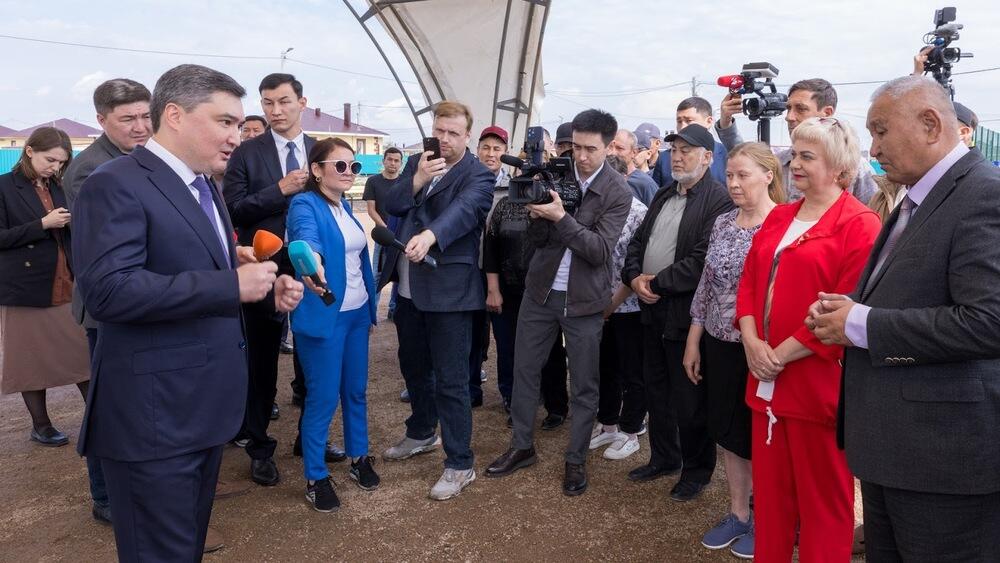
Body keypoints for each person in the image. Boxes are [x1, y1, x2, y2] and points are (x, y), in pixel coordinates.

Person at [72, 63, 304, 561]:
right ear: (174, 115)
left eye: (239, 126)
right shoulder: (114, 183)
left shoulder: (202, 186)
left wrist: (261, 282)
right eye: (224, 122)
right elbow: (109, 292)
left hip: (197, 412)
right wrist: (228, 282)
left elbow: (192, 268)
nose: (236, 137)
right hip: (154, 420)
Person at [809, 75, 1000, 562]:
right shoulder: (918, 195)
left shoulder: (983, 194)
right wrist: (846, 306)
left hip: (943, 460)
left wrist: (861, 324)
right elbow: (908, 287)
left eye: (880, 132)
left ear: (931, 124)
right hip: (896, 448)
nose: (873, 148)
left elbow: (989, 321)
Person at [735, 116, 881, 561]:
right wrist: (751, 341)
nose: (793, 165)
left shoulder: (860, 225)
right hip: (766, 382)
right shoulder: (779, 216)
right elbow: (749, 283)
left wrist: (775, 354)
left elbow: (845, 309)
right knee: (773, 503)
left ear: (838, 168)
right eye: (794, 154)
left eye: (806, 157)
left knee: (824, 506)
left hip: (817, 389)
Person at [486, 109, 632, 496]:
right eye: (575, 147)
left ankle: (575, 459)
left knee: (584, 384)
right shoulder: (556, 173)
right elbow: (535, 242)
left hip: (585, 300)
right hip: (540, 291)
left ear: (608, 147)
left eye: (590, 149)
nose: (580, 157)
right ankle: (521, 446)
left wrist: (559, 216)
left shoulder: (618, 191)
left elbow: (599, 250)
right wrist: (536, 215)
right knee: (525, 371)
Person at [224, 73, 344, 486]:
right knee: (260, 359)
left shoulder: (322, 151)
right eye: (268, 103)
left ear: (302, 102)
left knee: (313, 355)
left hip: (312, 265)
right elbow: (232, 210)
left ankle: (309, 438)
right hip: (264, 264)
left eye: (284, 102)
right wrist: (278, 189)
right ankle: (258, 444)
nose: (275, 111)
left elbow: (338, 203)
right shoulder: (246, 153)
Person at [379, 100, 494, 501]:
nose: (443, 139)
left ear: (467, 136)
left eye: (452, 133)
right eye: (439, 130)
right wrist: (415, 180)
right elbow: (392, 203)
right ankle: (421, 432)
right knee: (412, 367)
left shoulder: (478, 175)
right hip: (408, 288)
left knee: (451, 379)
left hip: (450, 291)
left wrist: (430, 236)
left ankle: (460, 462)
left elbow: (464, 212)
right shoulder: (419, 161)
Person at [621, 124, 733, 501]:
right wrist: (635, 278)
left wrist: (657, 283)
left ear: (707, 157)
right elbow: (637, 242)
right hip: (650, 310)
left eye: (688, 150)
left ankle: (696, 470)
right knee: (656, 390)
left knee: (689, 398)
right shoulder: (664, 194)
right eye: (675, 150)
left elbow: (703, 260)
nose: (678, 155)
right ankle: (664, 457)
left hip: (686, 315)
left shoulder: (718, 200)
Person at [684, 142, 785, 559]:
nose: (734, 183)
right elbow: (707, 283)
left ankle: (769, 519)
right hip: (719, 343)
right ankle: (738, 513)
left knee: (761, 436)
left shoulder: (782, 224)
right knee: (727, 433)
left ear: (768, 175)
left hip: (760, 347)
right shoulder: (724, 222)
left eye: (743, 175)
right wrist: (694, 338)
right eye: (730, 175)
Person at [61, 77, 151, 526]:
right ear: (101, 120)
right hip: (107, 310)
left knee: (136, 402)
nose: (140, 127)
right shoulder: (90, 169)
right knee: (109, 404)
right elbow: (106, 248)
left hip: (140, 302)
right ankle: (105, 497)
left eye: (145, 116)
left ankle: (135, 488)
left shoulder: (141, 158)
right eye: (128, 119)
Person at [286, 137, 379, 512]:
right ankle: (315, 476)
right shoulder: (305, 203)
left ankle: (359, 457)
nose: (348, 172)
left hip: (357, 316)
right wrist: (312, 261)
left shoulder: (346, 209)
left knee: (355, 391)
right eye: (340, 165)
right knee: (323, 399)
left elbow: (357, 261)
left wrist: (370, 310)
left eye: (353, 167)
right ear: (317, 169)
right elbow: (305, 238)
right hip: (325, 318)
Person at [0, 128, 89, 448]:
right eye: (50, 160)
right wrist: (42, 225)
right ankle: (41, 425)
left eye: (61, 162)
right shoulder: (4, 187)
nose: (54, 167)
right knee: (30, 360)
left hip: (67, 279)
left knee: (83, 354)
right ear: (29, 152)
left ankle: (98, 416)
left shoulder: (61, 186)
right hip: (25, 287)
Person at [717, 78, 878, 204]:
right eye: (788, 108)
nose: (789, 117)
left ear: (827, 113)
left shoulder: (856, 168)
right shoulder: (780, 161)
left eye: (801, 109)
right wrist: (726, 120)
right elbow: (745, 156)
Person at [590, 181, 648, 461]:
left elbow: (635, 264)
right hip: (598, 304)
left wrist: (612, 304)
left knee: (632, 371)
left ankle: (631, 430)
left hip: (629, 304)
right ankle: (609, 423)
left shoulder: (638, 212)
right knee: (604, 367)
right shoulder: (596, 207)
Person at [468, 125, 510, 408]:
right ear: (477, 149)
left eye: (497, 149)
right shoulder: (464, 182)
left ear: (505, 153)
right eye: (486, 147)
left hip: (503, 274)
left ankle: (509, 394)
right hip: (469, 271)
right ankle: (470, 390)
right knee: (471, 335)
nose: (491, 154)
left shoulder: (515, 188)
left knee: (506, 338)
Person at [647, 98, 729, 187]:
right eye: (679, 121)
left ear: (709, 121)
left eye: (688, 121)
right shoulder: (665, 158)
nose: (682, 127)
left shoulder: (726, 155)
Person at [363, 146, 403, 315]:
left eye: (396, 160)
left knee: (399, 274)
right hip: (382, 237)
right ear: (384, 160)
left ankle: (394, 310)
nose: (392, 163)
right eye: (390, 159)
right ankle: (371, 311)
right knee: (377, 275)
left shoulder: (405, 182)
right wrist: (386, 229)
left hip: (401, 236)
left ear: (401, 163)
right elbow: (371, 209)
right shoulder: (373, 181)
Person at [609, 129, 657, 205]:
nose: (613, 152)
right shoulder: (602, 177)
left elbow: (655, 213)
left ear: (633, 152)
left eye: (620, 148)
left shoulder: (645, 184)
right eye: (611, 147)